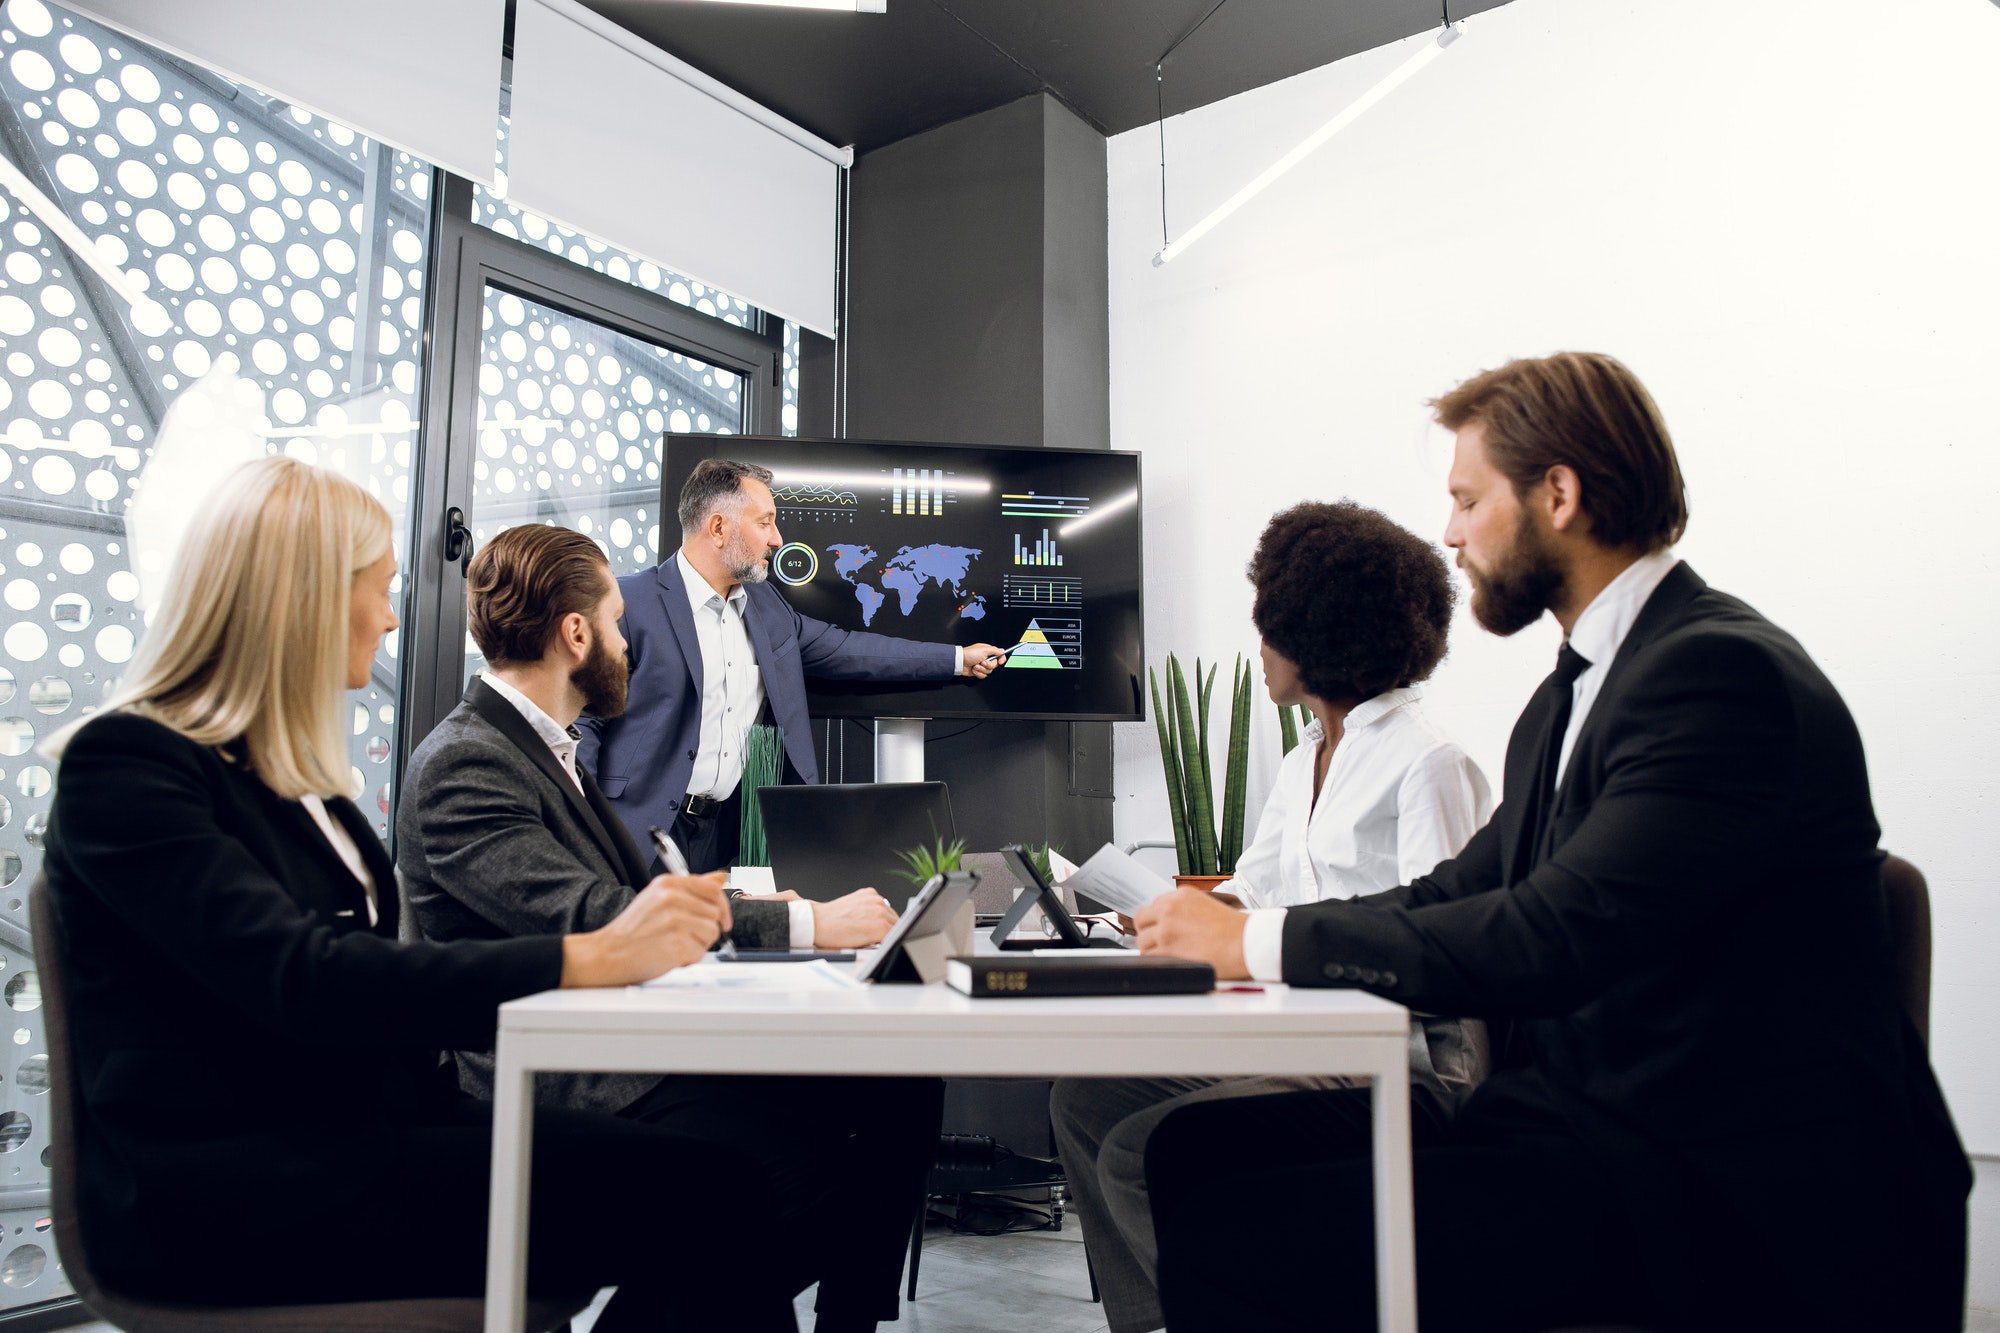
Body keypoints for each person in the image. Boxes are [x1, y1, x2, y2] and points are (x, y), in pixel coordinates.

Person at [1135, 353, 1970, 1331]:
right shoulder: (1574, 690)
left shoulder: (1716, 676)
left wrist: (1252, 944)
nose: (1448, 535)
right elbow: (1456, 887)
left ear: (1557, 494)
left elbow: (1546, 933)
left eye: (1465, 499)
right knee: (1190, 1153)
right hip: (1593, 1129)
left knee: (1247, 1231)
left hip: (1720, 1178)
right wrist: (1249, 925)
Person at [40, 457, 801, 1330]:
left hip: (356, 1129)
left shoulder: (297, 784)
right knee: (716, 1198)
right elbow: (308, 980)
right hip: (222, 1184)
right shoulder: (128, 766)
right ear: (299, 598)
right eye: (378, 588)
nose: (391, 616)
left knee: (721, 1189)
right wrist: (586, 956)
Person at [400, 522, 944, 1333]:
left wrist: (741, 895)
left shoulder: (550, 752)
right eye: (619, 624)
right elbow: (606, 918)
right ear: (575, 633)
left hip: (627, 1044)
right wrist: (808, 921)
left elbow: (648, 893)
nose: (628, 643)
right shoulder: (468, 762)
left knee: (900, 1083)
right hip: (562, 1074)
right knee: (776, 1175)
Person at [1049, 500, 1491, 1333]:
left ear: (1316, 635)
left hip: (1402, 1060)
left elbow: (1451, 947)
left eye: (1268, 628)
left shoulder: (1430, 763)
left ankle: (1232, 1304)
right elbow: (1250, 894)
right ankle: (1165, 1315)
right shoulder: (1302, 762)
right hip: (1299, 1040)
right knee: (1085, 1099)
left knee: (1143, 1147)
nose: (1257, 651)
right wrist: (1136, 911)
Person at [577, 458, 1007, 916]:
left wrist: (957, 659)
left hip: (726, 839)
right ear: (718, 527)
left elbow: (847, 649)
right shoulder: (633, 602)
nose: (777, 539)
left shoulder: (767, 608)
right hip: (639, 833)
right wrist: (582, 826)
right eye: (765, 522)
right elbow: (582, 719)